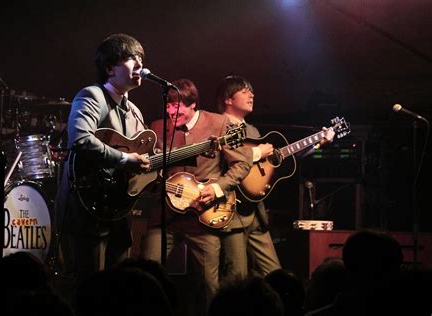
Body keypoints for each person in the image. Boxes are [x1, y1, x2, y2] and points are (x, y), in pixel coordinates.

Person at [140, 78, 252, 316]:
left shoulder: (219, 123)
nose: (171, 111)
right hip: (164, 215)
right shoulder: (158, 126)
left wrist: (217, 189)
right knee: (146, 275)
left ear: (193, 106)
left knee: (208, 286)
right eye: (168, 106)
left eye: (177, 106)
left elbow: (242, 164)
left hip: (202, 216)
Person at [215, 76, 335, 280]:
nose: (251, 95)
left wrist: (317, 143)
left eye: (251, 91)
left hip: (256, 212)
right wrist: (256, 154)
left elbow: (276, 164)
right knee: (237, 274)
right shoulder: (216, 125)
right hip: (231, 210)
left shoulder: (253, 131)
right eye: (244, 91)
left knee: (275, 273)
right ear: (228, 98)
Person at [55, 33, 150, 284]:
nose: (140, 64)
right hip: (89, 206)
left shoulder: (135, 112)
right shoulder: (92, 95)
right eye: (132, 58)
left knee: (119, 283)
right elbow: (80, 139)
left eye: (141, 58)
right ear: (109, 68)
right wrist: (124, 160)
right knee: (90, 284)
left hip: (119, 208)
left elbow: (140, 157)